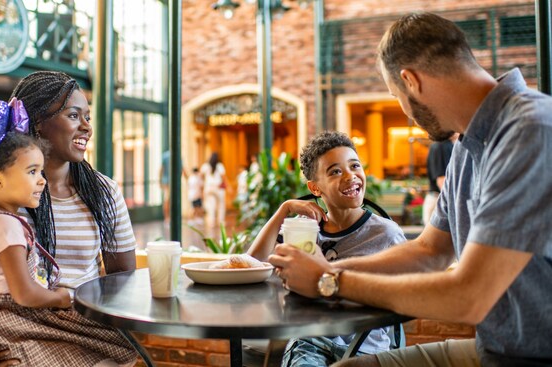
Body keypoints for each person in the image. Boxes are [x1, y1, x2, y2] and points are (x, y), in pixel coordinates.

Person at [269, 12, 552, 367]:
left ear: (411, 81)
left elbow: (470, 296)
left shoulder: (530, 130)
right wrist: (316, 270)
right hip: (494, 350)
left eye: (396, 95)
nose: (405, 113)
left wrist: (330, 280)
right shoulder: (469, 145)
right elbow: (429, 250)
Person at [0, 71, 139, 366]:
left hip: (82, 325)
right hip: (15, 328)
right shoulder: (3, 195)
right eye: (74, 115)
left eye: (87, 117)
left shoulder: (103, 192)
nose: (86, 127)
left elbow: (123, 285)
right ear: (37, 122)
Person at [248, 131, 405, 366]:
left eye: (355, 166)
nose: (351, 176)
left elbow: (403, 294)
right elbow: (252, 264)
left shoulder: (386, 234)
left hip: (366, 344)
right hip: (310, 340)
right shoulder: (304, 232)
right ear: (315, 188)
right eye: (335, 171)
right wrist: (284, 209)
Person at [422, 133, 458, 225]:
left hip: (440, 199)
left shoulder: (448, 145)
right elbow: (441, 180)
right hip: (439, 200)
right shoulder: (441, 146)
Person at [200, 152, 227, 227]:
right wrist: (226, 185)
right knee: (221, 205)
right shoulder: (220, 166)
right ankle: (221, 222)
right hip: (218, 188)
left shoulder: (205, 166)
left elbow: (201, 175)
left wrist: (205, 182)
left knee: (210, 206)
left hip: (209, 187)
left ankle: (211, 222)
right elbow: (223, 177)